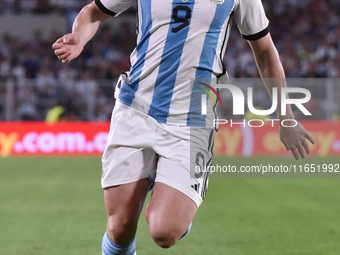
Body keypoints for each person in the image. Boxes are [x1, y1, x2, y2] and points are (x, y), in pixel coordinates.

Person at [52, 0, 315, 254]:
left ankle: (172, 200)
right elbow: (93, 12)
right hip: (136, 109)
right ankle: (162, 185)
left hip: (191, 121)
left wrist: (286, 117)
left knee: (164, 231)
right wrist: (79, 37)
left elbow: (265, 51)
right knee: (120, 228)